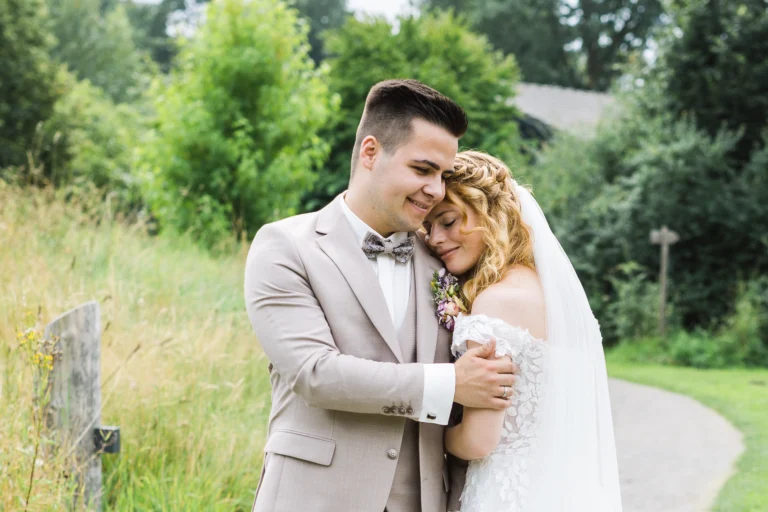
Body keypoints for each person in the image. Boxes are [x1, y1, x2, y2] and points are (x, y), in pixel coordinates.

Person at [244, 81, 517, 512]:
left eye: (443, 176)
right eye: (423, 169)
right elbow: (314, 373)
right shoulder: (286, 246)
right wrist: (451, 384)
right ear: (371, 153)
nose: (436, 190)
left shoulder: (443, 260)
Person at [423, 151, 623, 512]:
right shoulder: (552, 296)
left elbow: (480, 441)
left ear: (491, 215)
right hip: (567, 490)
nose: (435, 238)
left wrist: (428, 438)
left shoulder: (496, 302)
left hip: (507, 495)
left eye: (448, 221)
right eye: (429, 227)